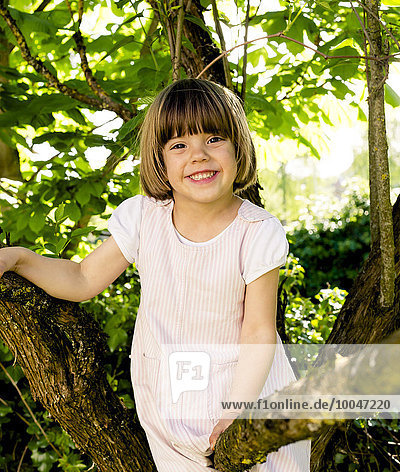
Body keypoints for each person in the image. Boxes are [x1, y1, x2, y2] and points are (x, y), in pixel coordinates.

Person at [0, 78, 311, 471]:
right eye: (179, 145)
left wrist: (239, 413)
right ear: (161, 162)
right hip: (171, 406)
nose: (198, 156)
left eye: (213, 139)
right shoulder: (145, 217)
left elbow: (259, 331)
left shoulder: (257, 231)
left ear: (238, 149)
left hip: (246, 395)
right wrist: (19, 260)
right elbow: (81, 279)